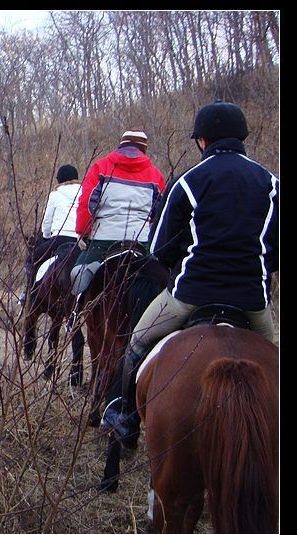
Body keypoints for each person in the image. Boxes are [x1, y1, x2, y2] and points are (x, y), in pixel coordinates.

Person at [103, 101, 279, 447]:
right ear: (243, 137)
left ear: (202, 141)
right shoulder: (272, 184)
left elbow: (160, 248)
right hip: (252, 301)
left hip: (190, 295)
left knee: (136, 343)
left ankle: (121, 416)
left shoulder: (187, 182)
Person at [69, 130, 166, 296]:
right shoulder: (155, 174)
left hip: (104, 239)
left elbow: (87, 202)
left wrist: (83, 231)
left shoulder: (101, 167)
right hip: (141, 240)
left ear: (121, 145)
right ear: (144, 149)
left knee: (78, 273)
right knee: (164, 276)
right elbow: (160, 210)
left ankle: (74, 315)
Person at [19, 164, 81, 307]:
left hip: (60, 238)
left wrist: (46, 236)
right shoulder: (85, 191)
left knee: (31, 260)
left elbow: (47, 221)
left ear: (60, 180)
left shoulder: (56, 194)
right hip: (80, 240)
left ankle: (29, 294)